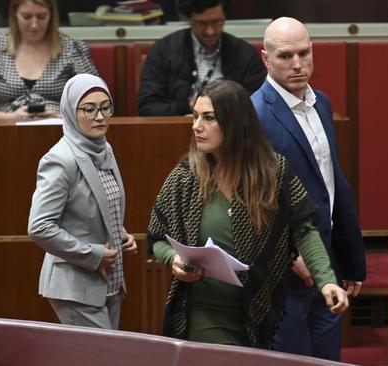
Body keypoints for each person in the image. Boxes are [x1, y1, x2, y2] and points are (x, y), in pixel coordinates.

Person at [147, 80, 348, 348]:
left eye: (208, 118)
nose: (196, 126)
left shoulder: (274, 171)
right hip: (203, 311)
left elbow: (303, 229)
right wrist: (173, 259)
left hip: (258, 310)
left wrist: (326, 282)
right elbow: (156, 238)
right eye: (195, 116)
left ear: (234, 123)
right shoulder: (186, 176)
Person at [251, 17, 367, 360]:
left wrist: (352, 260)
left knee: (328, 356)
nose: (298, 64)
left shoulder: (323, 104)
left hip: (327, 256)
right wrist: (288, 255)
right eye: (286, 56)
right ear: (266, 58)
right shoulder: (254, 113)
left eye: (304, 53)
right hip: (285, 268)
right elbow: (251, 199)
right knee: (291, 358)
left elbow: (332, 186)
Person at [28, 73, 137, 329]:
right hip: (75, 285)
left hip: (109, 280)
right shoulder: (60, 159)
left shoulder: (103, 148)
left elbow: (100, 208)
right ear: (69, 111)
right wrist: (92, 254)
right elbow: (39, 227)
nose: (99, 116)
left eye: (105, 107)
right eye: (89, 109)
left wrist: (119, 232)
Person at [0, 0, 99, 120]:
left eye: (41, 17)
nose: (34, 25)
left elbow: (93, 102)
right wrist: (12, 117)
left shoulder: (71, 49)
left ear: (51, 16)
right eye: (26, 17)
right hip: (6, 131)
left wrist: (61, 117)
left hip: (60, 131)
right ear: (14, 14)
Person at [136, 0, 265, 116]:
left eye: (217, 22)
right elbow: (147, 107)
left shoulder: (246, 54)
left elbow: (258, 106)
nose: (210, 31)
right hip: (177, 131)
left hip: (230, 133)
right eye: (201, 24)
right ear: (189, 20)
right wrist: (188, 106)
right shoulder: (163, 51)